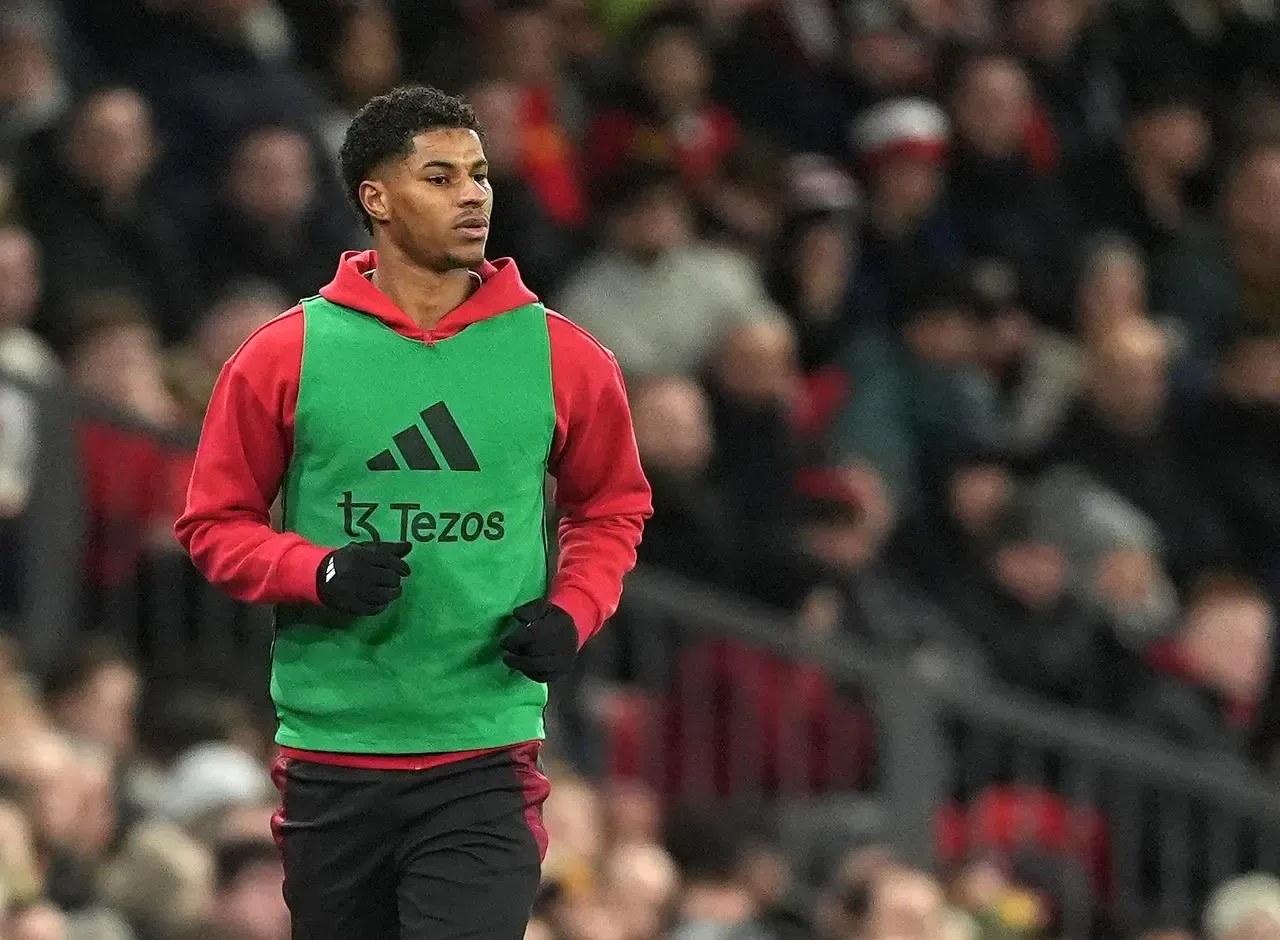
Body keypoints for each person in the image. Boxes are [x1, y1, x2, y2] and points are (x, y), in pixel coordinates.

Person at [174, 85, 652, 939]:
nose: (473, 195)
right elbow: (212, 524)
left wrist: (575, 609)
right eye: (440, 177)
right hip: (332, 753)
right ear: (376, 199)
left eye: (479, 175)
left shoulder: (564, 357)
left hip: (485, 752)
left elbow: (612, 508)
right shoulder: (286, 352)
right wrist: (313, 570)